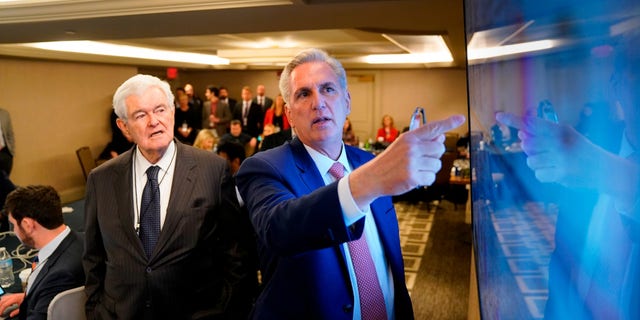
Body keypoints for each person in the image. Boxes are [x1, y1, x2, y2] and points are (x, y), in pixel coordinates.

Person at [235, 48, 465, 319]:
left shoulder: (368, 160)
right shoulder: (264, 167)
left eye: (328, 89)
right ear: (289, 114)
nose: (318, 102)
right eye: (304, 94)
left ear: (347, 101)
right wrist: (367, 182)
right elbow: (278, 229)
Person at [495, 31, 640, 319]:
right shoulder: (585, 150)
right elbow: (566, 261)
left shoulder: (591, 160)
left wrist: (617, 178)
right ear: (616, 86)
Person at [83, 74, 243, 319]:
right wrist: (96, 311)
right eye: (140, 115)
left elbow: (235, 251)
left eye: (160, 110)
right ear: (124, 127)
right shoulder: (101, 179)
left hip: (196, 312)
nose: (154, 121)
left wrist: (228, 310)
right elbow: (93, 257)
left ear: (172, 113)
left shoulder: (212, 170)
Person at [0, 185, 84, 320]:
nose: (14, 231)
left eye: (14, 225)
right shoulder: (85, 240)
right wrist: (30, 298)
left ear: (28, 224)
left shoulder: (58, 276)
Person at [0, 108, 15, 176]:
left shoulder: (4, 114)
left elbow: (10, 134)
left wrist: (11, 153)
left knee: (5, 183)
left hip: (5, 153)